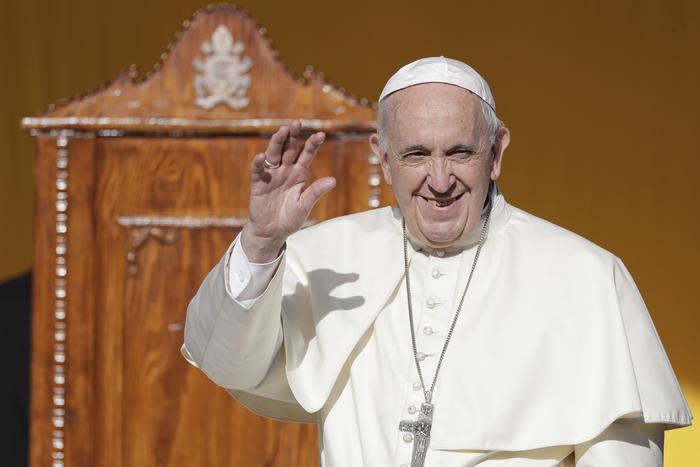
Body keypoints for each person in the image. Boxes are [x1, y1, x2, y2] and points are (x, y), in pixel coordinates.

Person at [182, 57, 692, 466]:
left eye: (461, 152)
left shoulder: (587, 276)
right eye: (416, 154)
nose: (441, 179)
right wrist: (261, 243)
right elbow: (224, 360)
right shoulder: (324, 259)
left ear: (495, 153)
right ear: (383, 158)